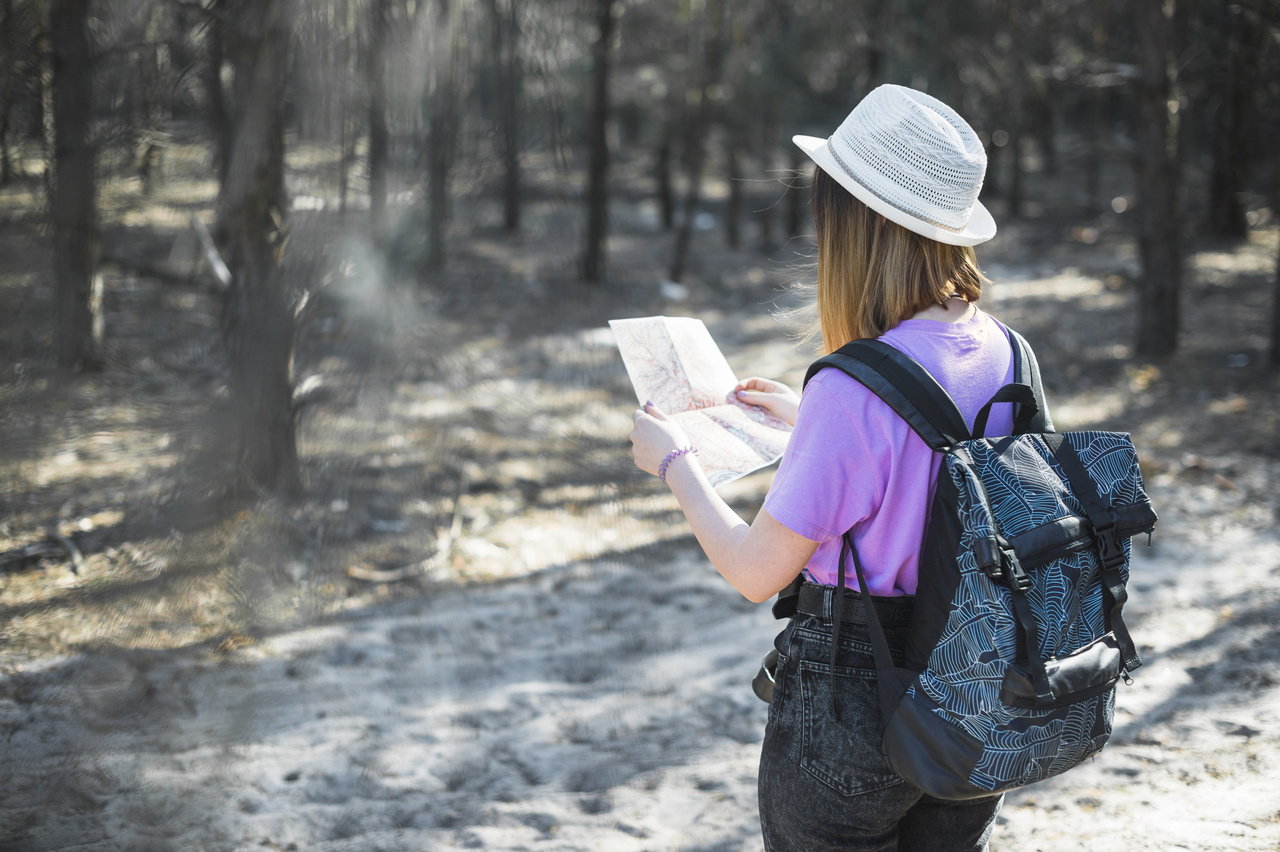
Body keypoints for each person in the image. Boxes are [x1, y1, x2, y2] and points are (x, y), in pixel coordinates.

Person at [628, 84, 1017, 851]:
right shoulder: (1005, 348)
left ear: (855, 222)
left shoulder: (852, 386)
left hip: (856, 703)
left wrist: (673, 462)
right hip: (980, 689)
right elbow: (953, 478)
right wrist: (811, 423)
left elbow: (753, 571)